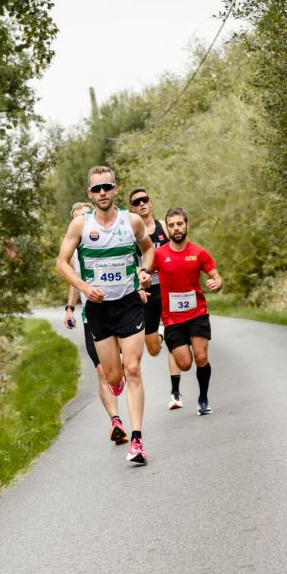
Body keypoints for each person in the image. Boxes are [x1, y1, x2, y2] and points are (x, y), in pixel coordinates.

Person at [56, 166, 154, 464]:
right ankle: (116, 378)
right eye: (97, 189)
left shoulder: (131, 221)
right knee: (113, 376)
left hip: (128, 303)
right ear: (90, 193)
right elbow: (61, 263)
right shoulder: (80, 225)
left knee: (133, 369)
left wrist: (144, 271)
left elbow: (148, 250)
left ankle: (137, 440)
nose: (102, 193)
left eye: (107, 187)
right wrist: (85, 288)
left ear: (115, 189)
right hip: (98, 309)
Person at [63, 201, 128, 445]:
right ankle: (116, 421)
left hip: (121, 312)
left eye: (85, 215)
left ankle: (123, 376)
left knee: (122, 369)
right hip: (92, 317)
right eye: (77, 218)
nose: (82, 220)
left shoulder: (107, 241)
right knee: (102, 370)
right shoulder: (72, 253)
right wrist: (70, 309)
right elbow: (74, 282)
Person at [151, 207, 223, 415]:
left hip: (197, 313)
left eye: (179, 224)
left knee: (200, 356)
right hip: (172, 319)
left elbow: (216, 276)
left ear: (186, 225)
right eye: (171, 225)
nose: (176, 228)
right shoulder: (159, 255)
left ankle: (203, 398)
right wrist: (142, 280)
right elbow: (144, 273)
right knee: (184, 364)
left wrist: (216, 283)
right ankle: (171, 341)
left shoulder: (199, 252)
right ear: (167, 229)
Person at [128, 186, 184, 410]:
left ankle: (175, 393)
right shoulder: (130, 233)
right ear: (132, 208)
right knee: (153, 349)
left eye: (144, 200)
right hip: (147, 292)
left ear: (150, 202)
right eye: (136, 202)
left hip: (168, 289)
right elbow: (127, 262)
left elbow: (178, 249)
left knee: (175, 340)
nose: (141, 204)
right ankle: (159, 333)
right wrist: (139, 275)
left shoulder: (163, 226)